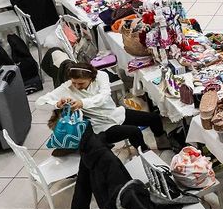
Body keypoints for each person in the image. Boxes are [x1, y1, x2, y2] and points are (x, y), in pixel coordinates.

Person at [37, 63, 170, 151]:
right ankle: (145, 154)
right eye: (74, 83)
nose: (76, 86)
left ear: (91, 78)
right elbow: (40, 102)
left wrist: (83, 103)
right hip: (99, 126)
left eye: (80, 83)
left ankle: (164, 144)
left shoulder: (101, 76)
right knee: (134, 131)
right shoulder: (67, 87)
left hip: (114, 114)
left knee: (154, 118)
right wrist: (57, 103)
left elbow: (104, 96)